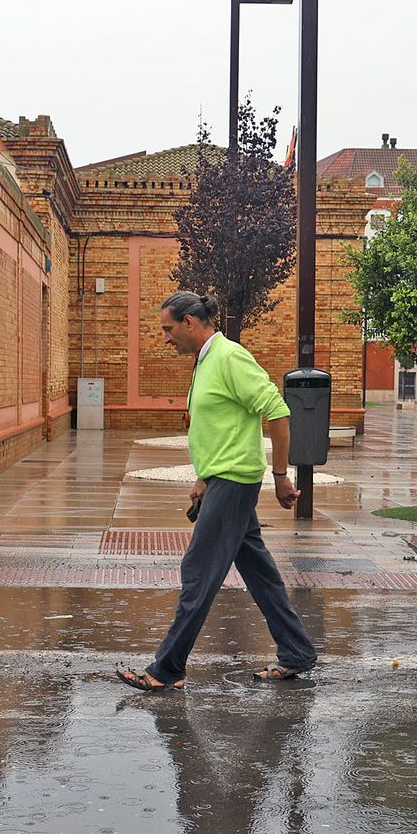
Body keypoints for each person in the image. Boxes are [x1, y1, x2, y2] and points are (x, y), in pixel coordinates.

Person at [116, 290, 317, 692]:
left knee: (198, 571)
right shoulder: (206, 361)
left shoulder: (229, 357)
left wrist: (280, 475)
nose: (165, 337)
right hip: (222, 481)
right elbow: (221, 428)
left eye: (168, 329)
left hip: (236, 483)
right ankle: (296, 651)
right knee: (259, 573)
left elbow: (277, 412)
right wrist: (204, 477)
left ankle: (167, 669)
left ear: (189, 323)